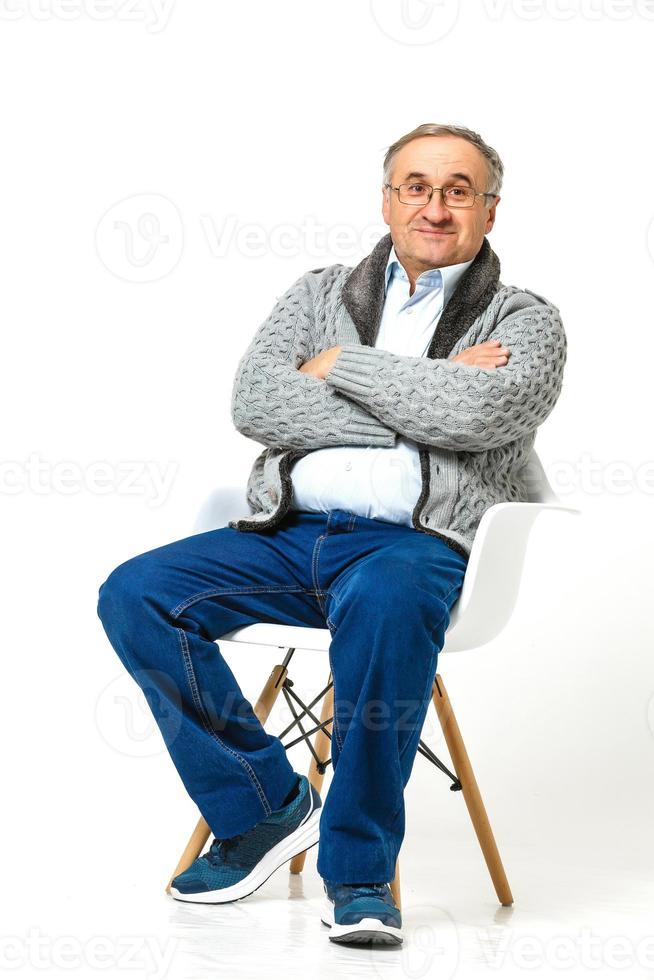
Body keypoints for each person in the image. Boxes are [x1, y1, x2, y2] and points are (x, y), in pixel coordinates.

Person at [97, 122, 567, 947]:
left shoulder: (526, 319)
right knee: (136, 592)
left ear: (490, 211)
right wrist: (428, 395)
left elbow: (481, 414)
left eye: (459, 190)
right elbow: (255, 402)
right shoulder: (317, 294)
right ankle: (263, 805)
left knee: (387, 602)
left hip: (412, 546)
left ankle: (358, 875)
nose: (435, 205)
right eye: (416, 186)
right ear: (387, 199)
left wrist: (341, 370)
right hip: (289, 534)